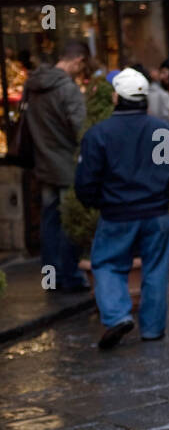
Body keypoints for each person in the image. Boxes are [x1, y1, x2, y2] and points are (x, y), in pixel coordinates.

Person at [74, 68, 169, 348]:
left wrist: (96, 203)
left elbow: (86, 181)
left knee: (107, 264)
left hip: (116, 214)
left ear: (116, 97)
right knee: (155, 269)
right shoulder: (164, 131)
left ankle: (117, 315)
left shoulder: (98, 134)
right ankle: (152, 329)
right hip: (156, 213)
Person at [23, 40, 91, 292]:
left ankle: (50, 276)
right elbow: (81, 128)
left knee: (49, 222)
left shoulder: (32, 86)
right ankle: (70, 275)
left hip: (43, 162)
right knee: (69, 221)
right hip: (65, 164)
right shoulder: (67, 89)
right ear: (78, 61)